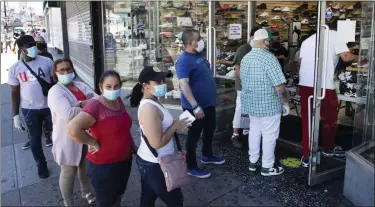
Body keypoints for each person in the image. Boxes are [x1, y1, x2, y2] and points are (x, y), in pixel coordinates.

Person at [68, 70, 137, 207]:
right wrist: (92, 142)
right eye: (109, 86)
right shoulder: (95, 106)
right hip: (104, 166)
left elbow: (124, 128)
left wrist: (133, 146)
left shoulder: (118, 100)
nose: (113, 89)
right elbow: (72, 129)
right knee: (105, 202)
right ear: (100, 87)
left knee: (117, 196)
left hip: (124, 161)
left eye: (117, 86)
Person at [299, 24, 358, 167]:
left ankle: (306, 155)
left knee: (307, 120)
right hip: (324, 85)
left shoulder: (307, 41)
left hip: (305, 83)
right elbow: (345, 57)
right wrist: (362, 56)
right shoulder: (336, 36)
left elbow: (300, 63)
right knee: (329, 119)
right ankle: (328, 147)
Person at [130, 66, 191, 206]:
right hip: (154, 165)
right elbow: (157, 143)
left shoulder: (154, 100)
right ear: (146, 86)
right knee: (176, 201)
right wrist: (175, 126)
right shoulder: (148, 108)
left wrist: (177, 124)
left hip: (153, 162)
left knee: (147, 198)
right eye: (158, 82)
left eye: (164, 81)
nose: (163, 85)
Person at [176, 29, 225, 179]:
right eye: (199, 38)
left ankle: (207, 155)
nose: (201, 41)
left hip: (208, 104)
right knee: (193, 135)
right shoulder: (183, 60)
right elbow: (183, 84)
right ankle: (191, 166)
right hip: (192, 107)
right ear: (191, 42)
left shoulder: (199, 56)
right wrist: (195, 106)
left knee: (210, 129)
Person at [47, 59, 97, 206]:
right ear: (55, 73)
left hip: (86, 134)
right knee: (69, 171)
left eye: (68, 69)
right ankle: (68, 202)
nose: (66, 72)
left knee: (83, 166)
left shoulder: (80, 85)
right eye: (61, 70)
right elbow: (67, 113)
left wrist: (76, 105)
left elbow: (97, 101)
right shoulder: (55, 91)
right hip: (67, 137)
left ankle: (86, 192)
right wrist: (82, 103)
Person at [240, 29, 289, 176]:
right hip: (268, 105)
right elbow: (280, 87)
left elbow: (242, 80)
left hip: (251, 103)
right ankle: (267, 167)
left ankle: (253, 162)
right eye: (269, 40)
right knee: (269, 135)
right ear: (263, 41)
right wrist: (285, 103)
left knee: (254, 132)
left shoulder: (246, 58)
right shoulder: (269, 58)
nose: (271, 42)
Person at [8, 35, 54, 178]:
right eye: (30, 46)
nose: (34, 48)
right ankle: (41, 164)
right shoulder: (15, 68)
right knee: (34, 139)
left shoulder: (47, 61)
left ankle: (66, 159)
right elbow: (14, 92)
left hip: (50, 106)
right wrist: (15, 116)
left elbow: (55, 82)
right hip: (29, 110)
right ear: (22, 49)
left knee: (59, 133)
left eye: (34, 44)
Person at [230, 27, 259, 149]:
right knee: (240, 109)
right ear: (252, 37)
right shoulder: (244, 49)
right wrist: (244, 82)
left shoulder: (259, 49)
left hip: (256, 86)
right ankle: (235, 135)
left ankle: (247, 132)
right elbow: (237, 68)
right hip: (243, 86)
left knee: (251, 109)